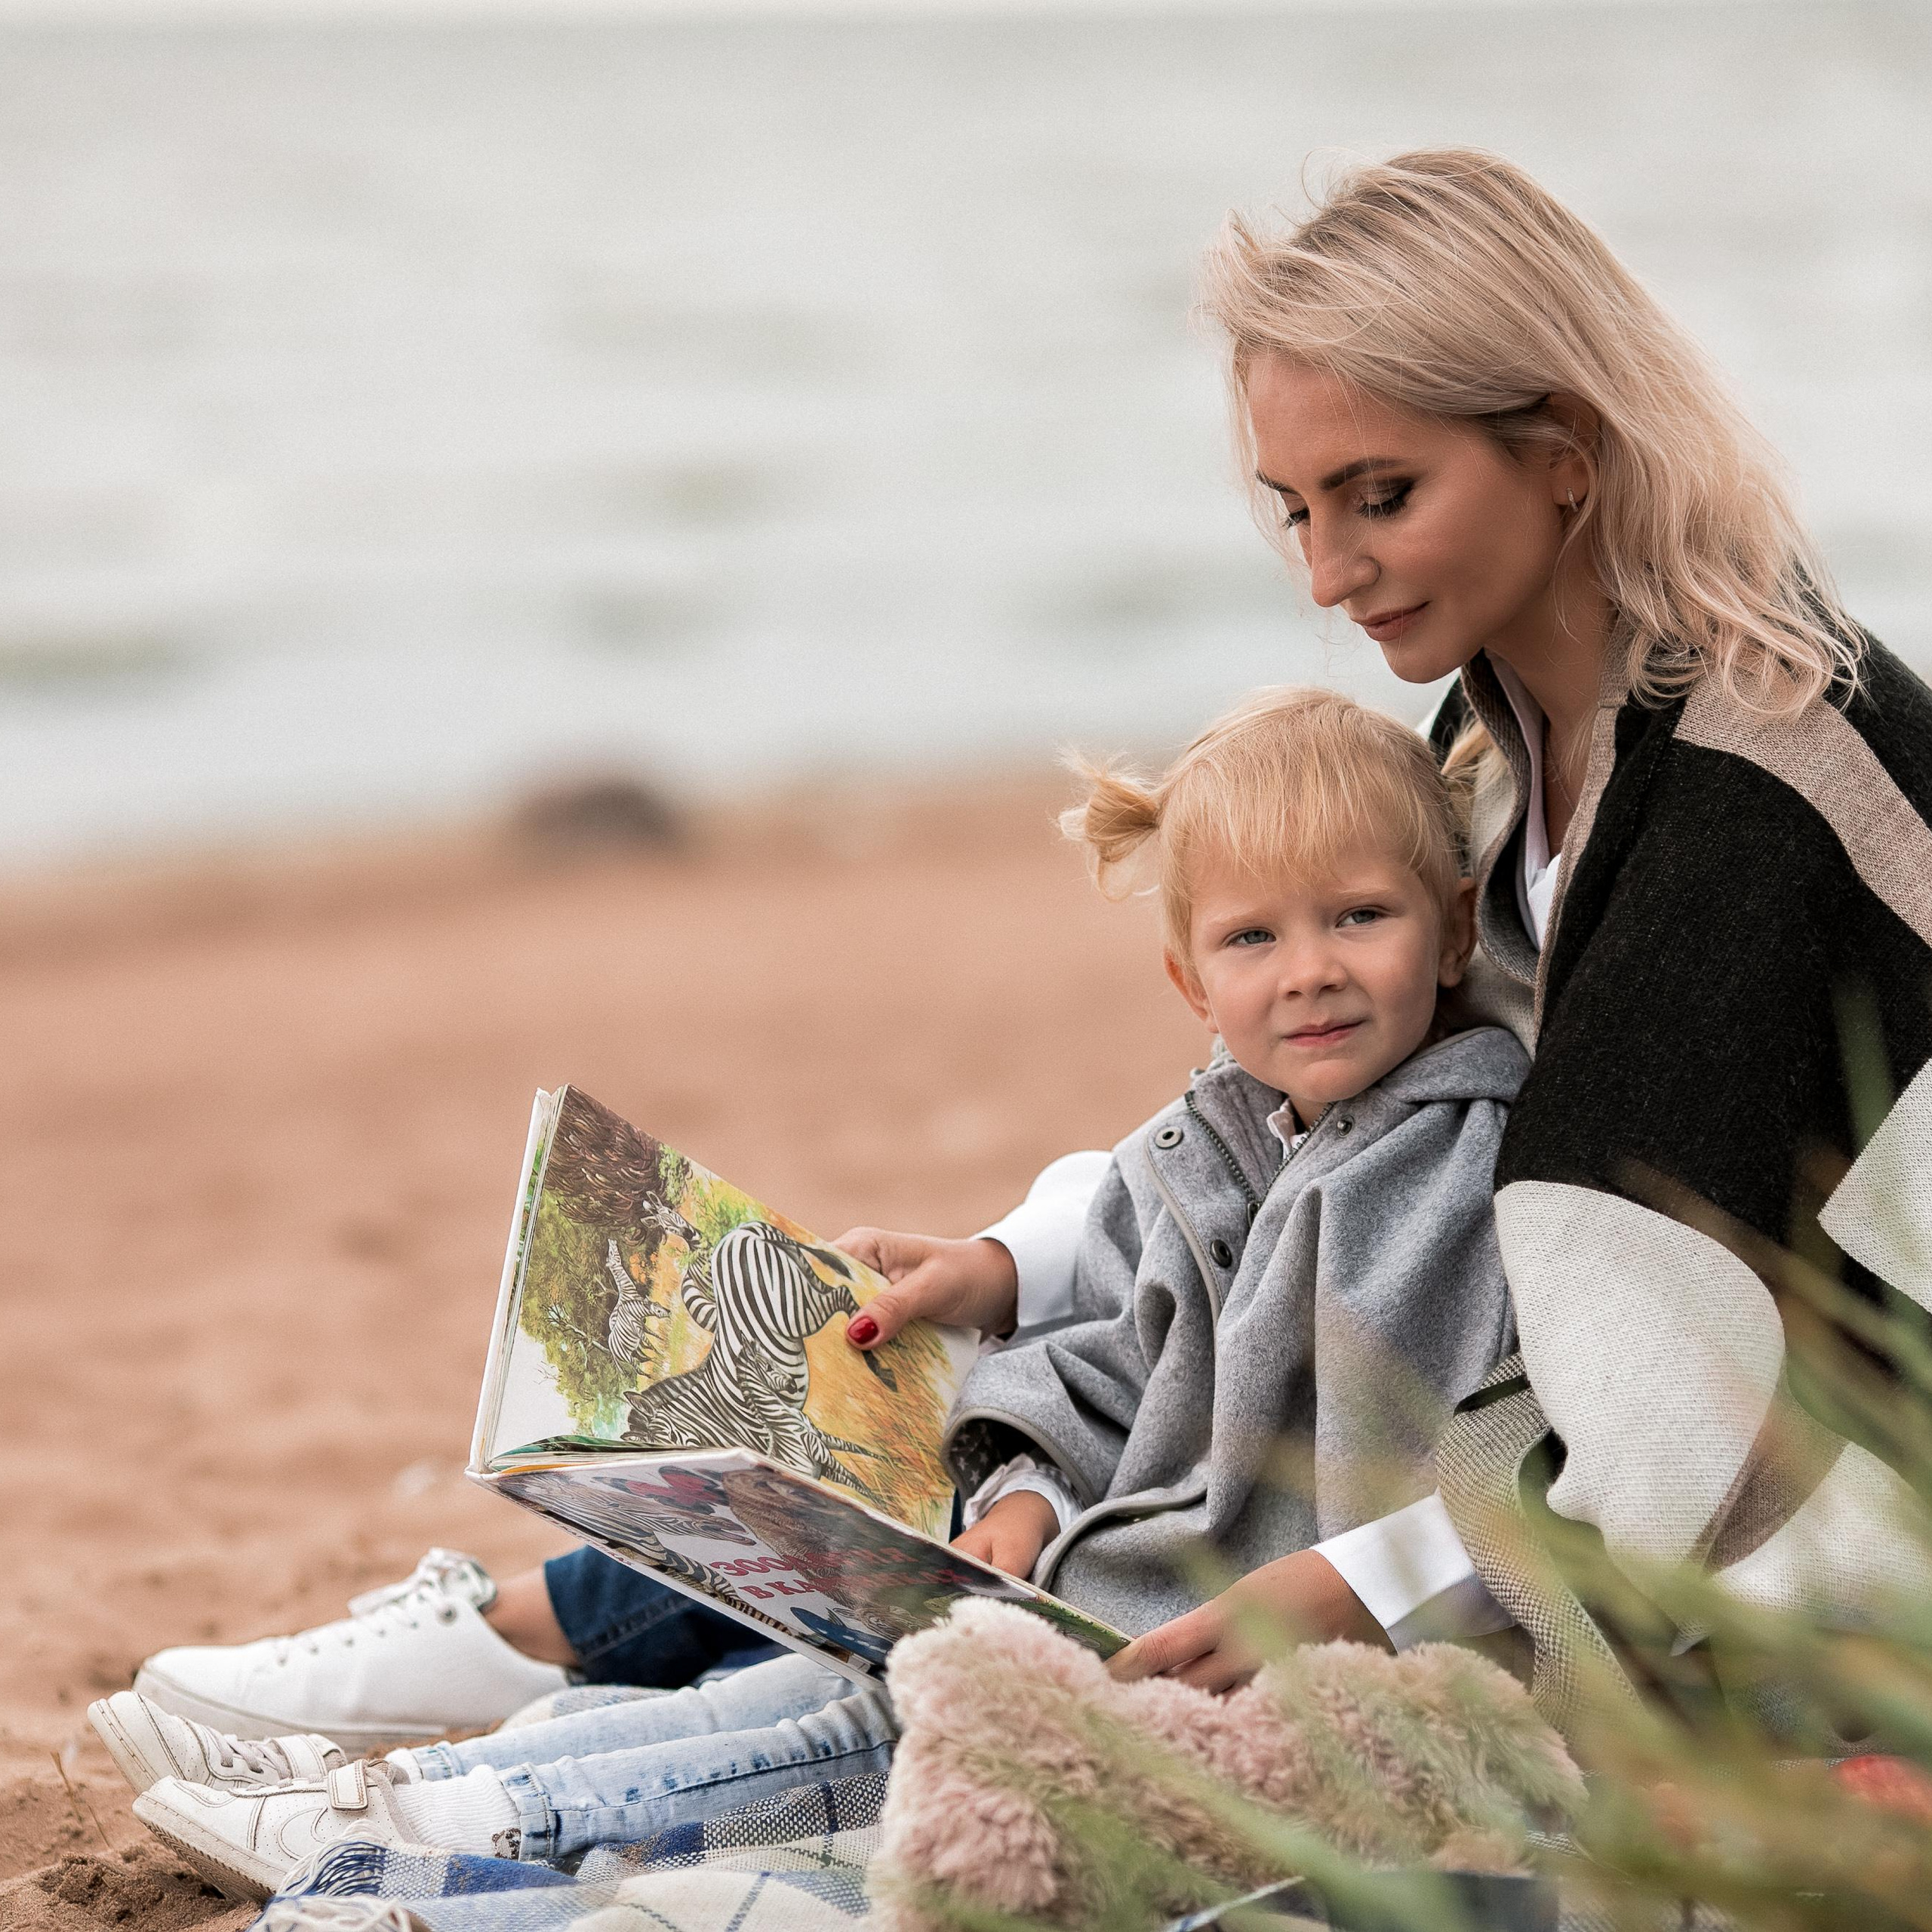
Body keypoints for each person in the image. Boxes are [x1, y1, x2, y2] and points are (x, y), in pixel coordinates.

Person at [114, 683, 1527, 1897]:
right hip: (1088, 1588)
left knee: (822, 1737)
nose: (1315, 974)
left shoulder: (1450, 1170)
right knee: (799, 1672)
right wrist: (1027, 1495)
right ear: (1188, 978)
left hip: (1217, 1659)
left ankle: (427, 1822)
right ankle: (438, 1760)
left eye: (1360, 917)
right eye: (1255, 941)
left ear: (1456, 933)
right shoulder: (1215, 1139)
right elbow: (1115, 1361)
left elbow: (1443, 1458)